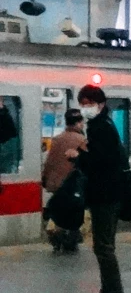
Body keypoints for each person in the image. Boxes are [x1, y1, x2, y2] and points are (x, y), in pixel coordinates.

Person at [76, 84, 130, 293]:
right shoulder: (101, 125)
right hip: (105, 194)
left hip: (106, 195)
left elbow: (102, 162)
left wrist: (78, 155)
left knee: (104, 246)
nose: (86, 108)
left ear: (101, 104)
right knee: (102, 245)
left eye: (90, 103)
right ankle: (107, 290)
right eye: (83, 104)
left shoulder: (101, 128)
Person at [42, 109, 87, 254]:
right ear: (79, 123)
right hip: (73, 187)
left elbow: (49, 163)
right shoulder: (82, 141)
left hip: (57, 185)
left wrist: (46, 179)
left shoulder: (57, 139)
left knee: (59, 211)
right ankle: (71, 238)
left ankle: (58, 235)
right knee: (75, 213)